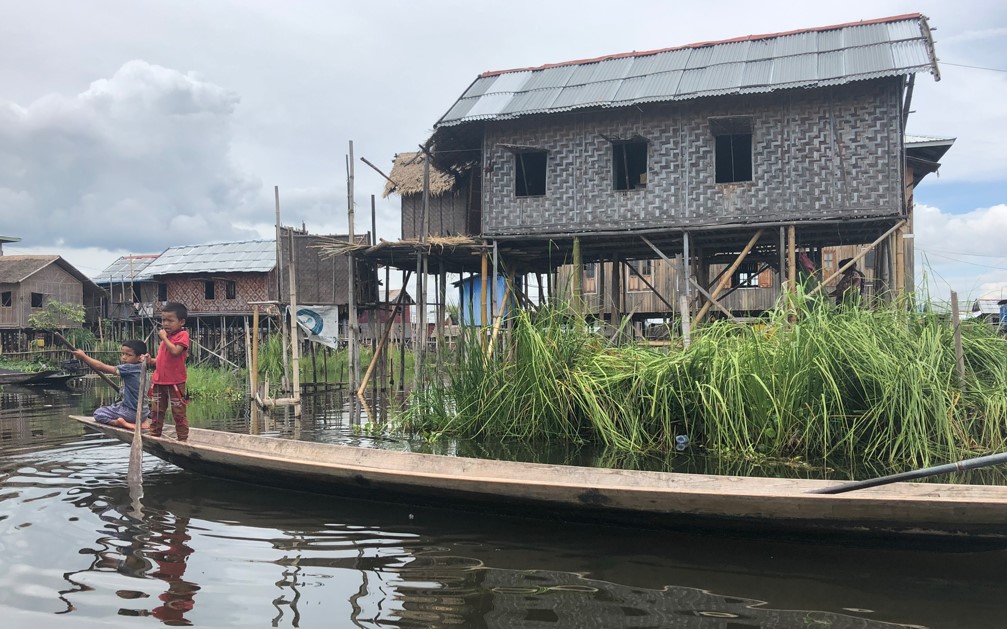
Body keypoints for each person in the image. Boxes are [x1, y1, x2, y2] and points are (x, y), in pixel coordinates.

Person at [72, 340, 150, 430]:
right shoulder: (143, 369)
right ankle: (142, 421)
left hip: (132, 413)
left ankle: (124, 424)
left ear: (140, 358)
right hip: (144, 412)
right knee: (115, 406)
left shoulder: (129, 368)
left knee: (99, 413)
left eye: (128, 355)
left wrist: (83, 357)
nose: (124, 357)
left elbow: (100, 366)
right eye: (123, 354)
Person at [148, 301, 190, 441]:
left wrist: (164, 338)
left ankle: (182, 439)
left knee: (178, 412)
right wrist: (150, 360)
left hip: (175, 382)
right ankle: (154, 435)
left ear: (181, 322)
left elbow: (175, 352)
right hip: (159, 381)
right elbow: (160, 361)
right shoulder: (165, 340)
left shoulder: (182, 336)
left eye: (170, 321)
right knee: (157, 410)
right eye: (163, 320)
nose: (165, 324)